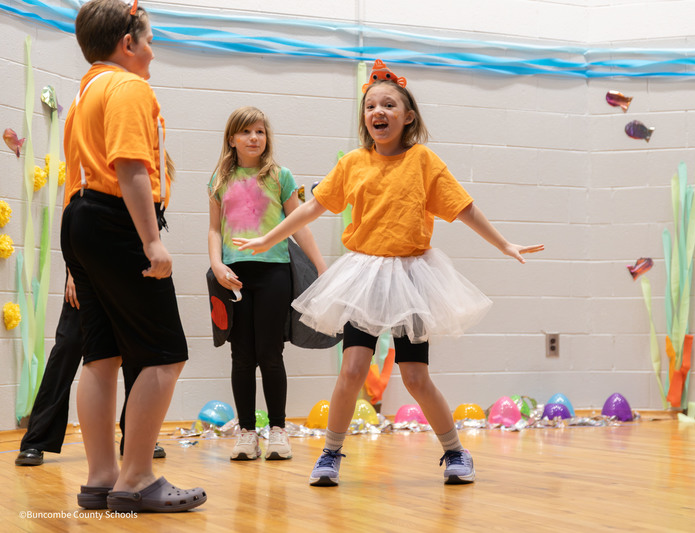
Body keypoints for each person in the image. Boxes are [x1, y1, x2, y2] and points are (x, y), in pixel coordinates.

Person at [234, 60, 544, 486]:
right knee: (352, 370)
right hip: (365, 275)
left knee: (415, 376)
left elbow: (463, 207)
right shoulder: (353, 164)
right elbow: (313, 206)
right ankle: (330, 454)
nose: (378, 112)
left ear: (408, 116)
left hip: (413, 276)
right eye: (370, 106)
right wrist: (270, 238)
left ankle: (455, 451)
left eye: (389, 105)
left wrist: (504, 243)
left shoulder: (423, 161)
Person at [61, 0, 205, 511]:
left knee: (101, 355)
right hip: (114, 222)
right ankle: (137, 478)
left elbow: (76, 174)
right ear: (128, 43)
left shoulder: (85, 92)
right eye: (148, 40)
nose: (152, 50)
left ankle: (102, 476)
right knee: (166, 354)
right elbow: (131, 168)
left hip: (80, 219)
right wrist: (151, 241)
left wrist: (76, 262)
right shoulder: (128, 87)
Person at [208, 106, 326, 461]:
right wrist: (217, 266)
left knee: (270, 354)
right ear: (232, 138)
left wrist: (321, 267)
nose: (254, 138)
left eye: (260, 132)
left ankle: (277, 430)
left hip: (274, 273)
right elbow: (215, 229)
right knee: (241, 355)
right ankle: (246, 433)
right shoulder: (219, 179)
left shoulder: (280, 176)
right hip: (234, 276)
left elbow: (300, 223)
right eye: (246, 132)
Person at [15, 271, 165, 466]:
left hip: (131, 274)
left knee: (137, 353)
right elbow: (69, 237)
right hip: (87, 269)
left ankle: (136, 440)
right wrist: (72, 273)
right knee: (67, 348)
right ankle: (35, 441)